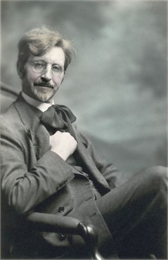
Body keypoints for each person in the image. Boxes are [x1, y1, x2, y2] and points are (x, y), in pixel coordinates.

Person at [0, 26, 167, 259]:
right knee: (159, 179)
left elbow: (105, 170)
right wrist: (56, 156)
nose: (48, 76)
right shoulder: (6, 126)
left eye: (56, 68)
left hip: (99, 217)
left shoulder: (63, 118)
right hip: (63, 232)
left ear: (63, 75)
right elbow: (14, 199)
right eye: (39, 65)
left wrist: (134, 201)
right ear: (21, 67)